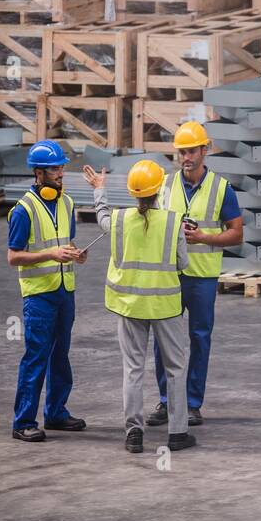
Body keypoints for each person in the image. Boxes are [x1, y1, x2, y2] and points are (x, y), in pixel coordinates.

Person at [83, 160, 196, 455]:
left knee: (133, 369)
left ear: (133, 193)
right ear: (159, 190)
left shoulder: (120, 220)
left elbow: (103, 219)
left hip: (130, 305)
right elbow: (183, 263)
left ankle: (134, 433)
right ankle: (177, 433)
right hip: (165, 307)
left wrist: (99, 190)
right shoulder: (173, 222)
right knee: (175, 368)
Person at [147, 121, 243, 429]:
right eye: (181, 152)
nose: (186, 157)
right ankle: (166, 401)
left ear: (205, 150)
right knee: (164, 339)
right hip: (170, 276)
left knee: (199, 338)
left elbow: (237, 234)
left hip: (202, 277)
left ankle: (191, 404)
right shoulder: (165, 186)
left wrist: (203, 238)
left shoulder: (221, 188)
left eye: (191, 151)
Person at [7, 140, 87, 443]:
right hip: (39, 295)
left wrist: (76, 254)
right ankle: (23, 421)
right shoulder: (23, 210)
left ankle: (56, 412)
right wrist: (50, 255)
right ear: (38, 173)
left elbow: (65, 244)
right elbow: (13, 256)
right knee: (36, 357)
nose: (61, 172)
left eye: (62, 166)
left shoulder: (67, 203)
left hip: (65, 290)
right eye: (55, 168)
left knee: (60, 356)